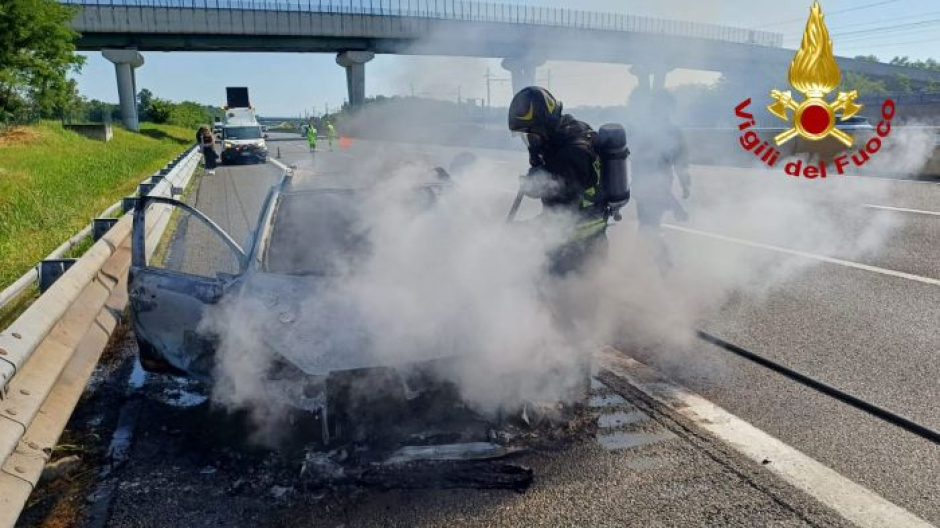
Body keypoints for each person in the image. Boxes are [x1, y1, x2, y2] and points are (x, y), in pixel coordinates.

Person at [507, 86, 609, 276]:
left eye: (531, 135)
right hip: (581, 241)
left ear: (544, 126)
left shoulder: (571, 154)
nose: (530, 143)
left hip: (577, 248)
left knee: (544, 288)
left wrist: (537, 187)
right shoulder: (568, 135)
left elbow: (562, 216)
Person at [627, 93, 691, 273]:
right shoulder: (646, 131)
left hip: (655, 185)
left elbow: (681, 162)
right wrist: (683, 188)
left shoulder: (668, 132)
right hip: (646, 185)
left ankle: (642, 264)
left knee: (648, 225)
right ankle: (659, 264)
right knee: (648, 225)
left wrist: (685, 184)